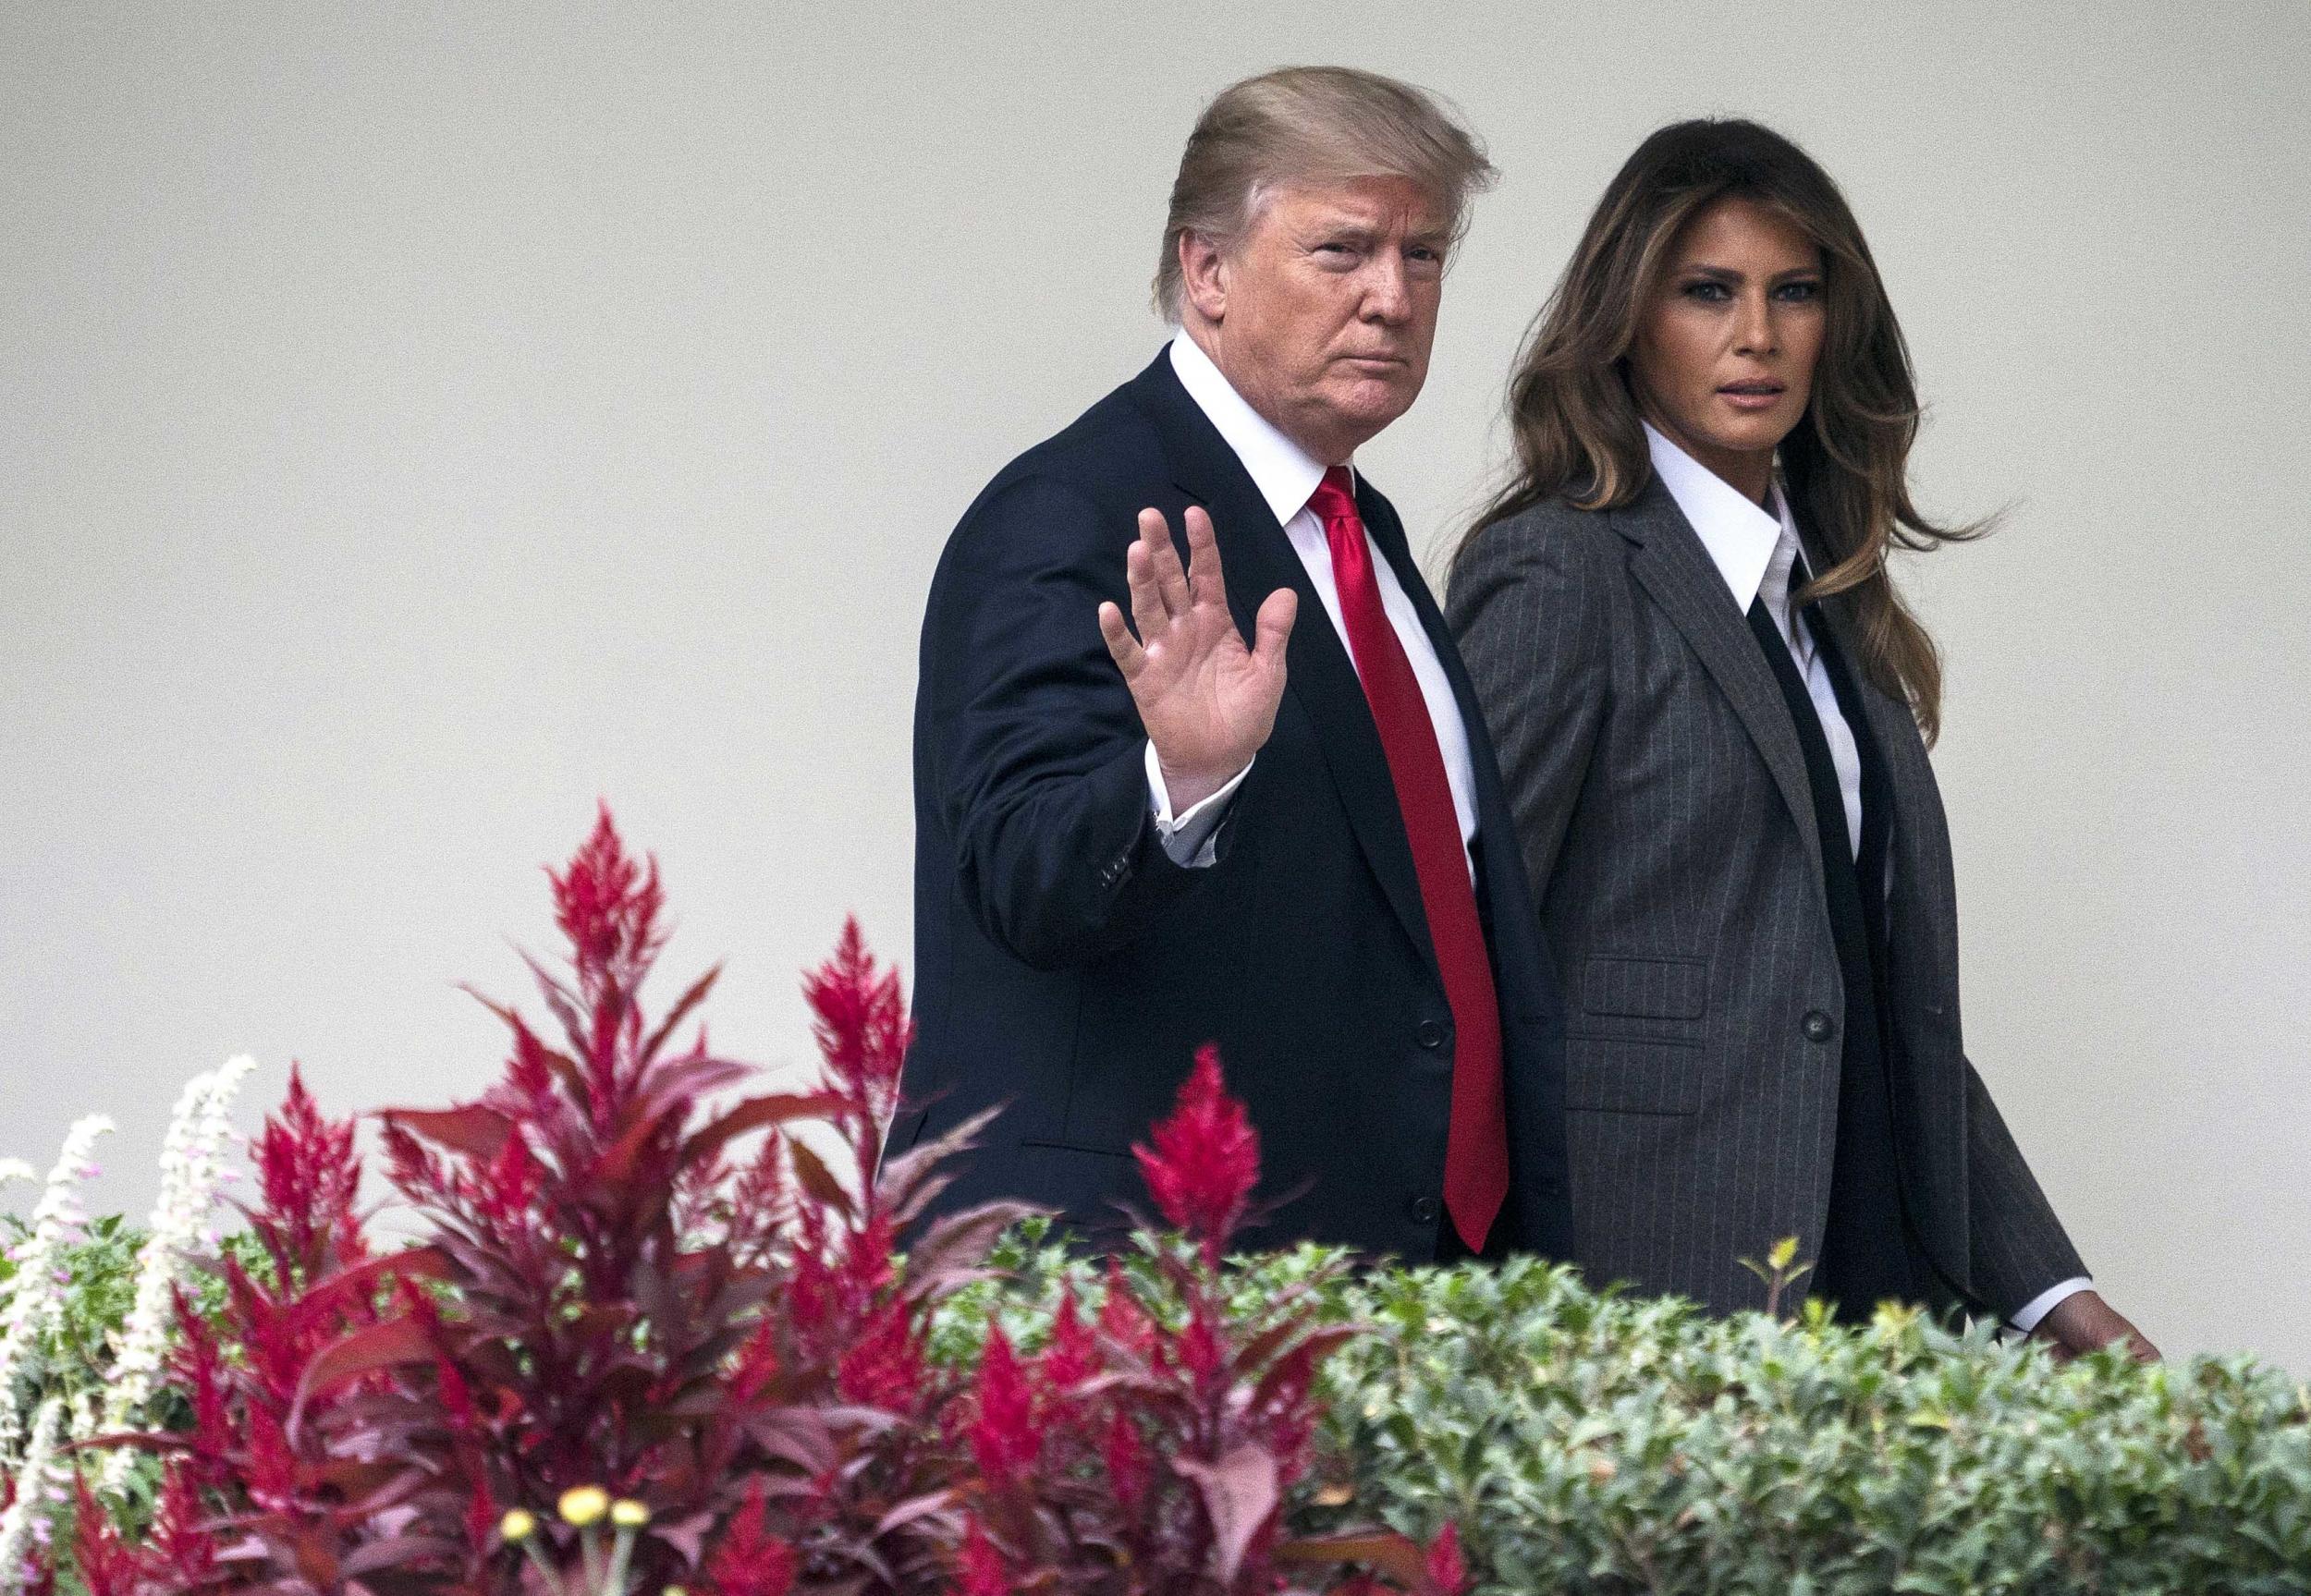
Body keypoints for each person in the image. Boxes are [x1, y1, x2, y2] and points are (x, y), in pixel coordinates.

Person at [1446, 117, 2156, 1354]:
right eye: (1706, 292)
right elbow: (1460, 958)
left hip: (1885, 1280)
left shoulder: (1829, 601)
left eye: (1796, 294)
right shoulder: (1560, 574)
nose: (1758, 337)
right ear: (1626, 318)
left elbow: (1874, 1005)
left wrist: (2054, 1294)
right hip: (1654, 1297)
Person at [894, 67, 1571, 1264]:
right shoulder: (1074, 509)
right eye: (1344, 251)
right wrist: (1176, 780)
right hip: (1145, 1311)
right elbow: (1017, 872)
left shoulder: (1361, 535)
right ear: (1205, 270)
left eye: (1423, 257)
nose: (1393, 298)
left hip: (1389, 1290)